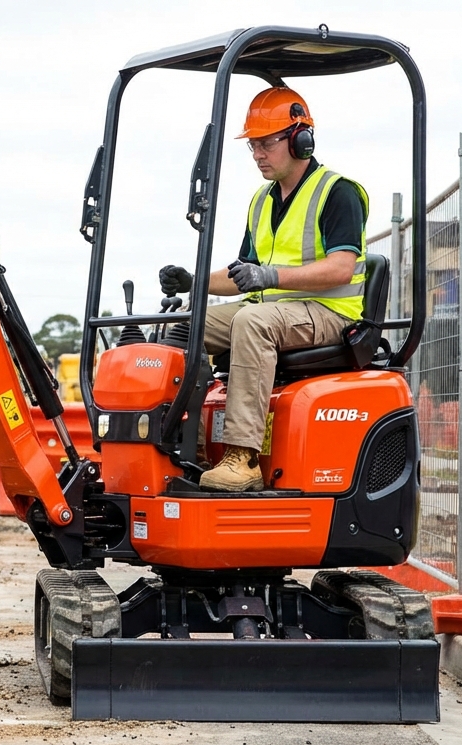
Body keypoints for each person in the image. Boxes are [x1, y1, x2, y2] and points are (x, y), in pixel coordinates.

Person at [159, 87, 369, 492]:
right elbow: (244, 273)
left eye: (266, 144)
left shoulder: (337, 192)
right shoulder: (261, 201)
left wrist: (270, 277)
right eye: (253, 145)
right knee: (188, 324)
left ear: (299, 139)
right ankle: (190, 447)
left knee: (254, 321)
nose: (257, 154)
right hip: (274, 309)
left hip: (328, 314)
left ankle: (242, 457)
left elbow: (342, 268)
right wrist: (195, 282)